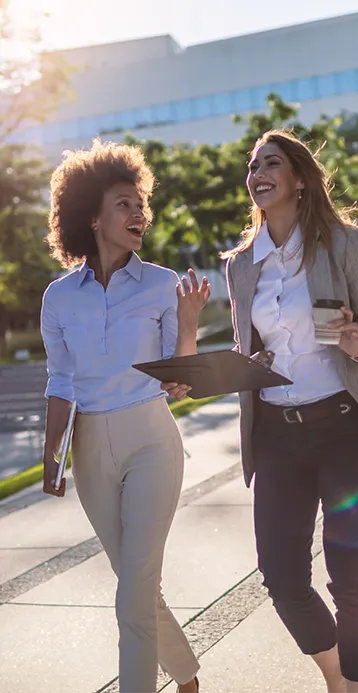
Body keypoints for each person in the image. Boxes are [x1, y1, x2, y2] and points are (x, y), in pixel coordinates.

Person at [222, 129, 358, 693]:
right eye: (252, 167)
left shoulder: (343, 242)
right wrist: (216, 370)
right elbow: (246, 349)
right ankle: (337, 676)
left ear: (299, 178)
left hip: (346, 426)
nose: (258, 174)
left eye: (270, 163)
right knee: (281, 576)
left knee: (349, 571)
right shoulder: (240, 265)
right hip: (277, 436)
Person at [40, 141, 210, 693]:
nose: (139, 215)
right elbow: (61, 380)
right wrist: (52, 453)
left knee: (133, 587)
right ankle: (185, 675)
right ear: (90, 216)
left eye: (142, 205)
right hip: (89, 447)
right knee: (135, 584)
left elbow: (177, 381)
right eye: (124, 204)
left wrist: (187, 320)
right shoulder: (58, 298)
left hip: (150, 440)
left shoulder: (164, 284)